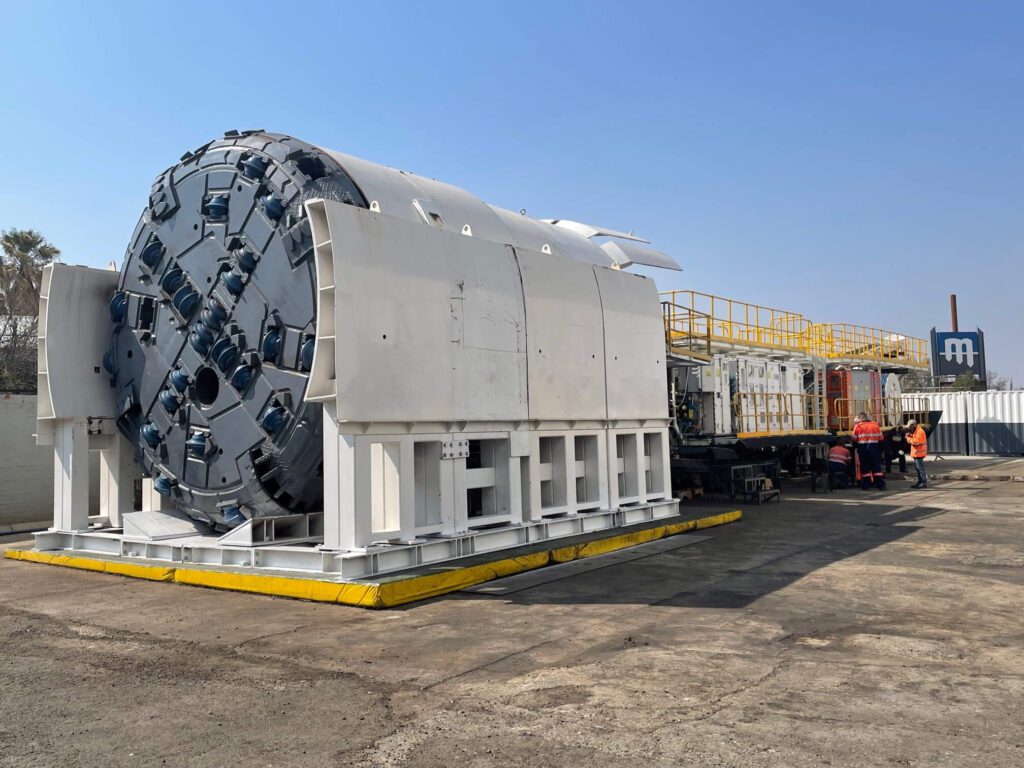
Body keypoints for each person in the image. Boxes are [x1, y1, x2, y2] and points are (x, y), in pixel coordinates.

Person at [852, 411, 886, 490]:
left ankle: (866, 486)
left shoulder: (858, 426)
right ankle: (880, 485)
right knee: (876, 468)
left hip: (863, 449)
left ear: (860, 419)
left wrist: (856, 447)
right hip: (874, 449)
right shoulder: (875, 425)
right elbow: (881, 439)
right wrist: (880, 451)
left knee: (865, 469)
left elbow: (854, 439)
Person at [905, 418, 928, 488]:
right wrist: (911, 436)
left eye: (910, 427)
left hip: (919, 454)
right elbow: (917, 439)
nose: (909, 428)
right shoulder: (917, 431)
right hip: (917, 453)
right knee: (918, 468)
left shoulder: (920, 432)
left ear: (913, 425)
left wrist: (908, 439)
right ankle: (920, 481)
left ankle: (923, 482)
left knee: (920, 469)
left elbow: (916, 442)